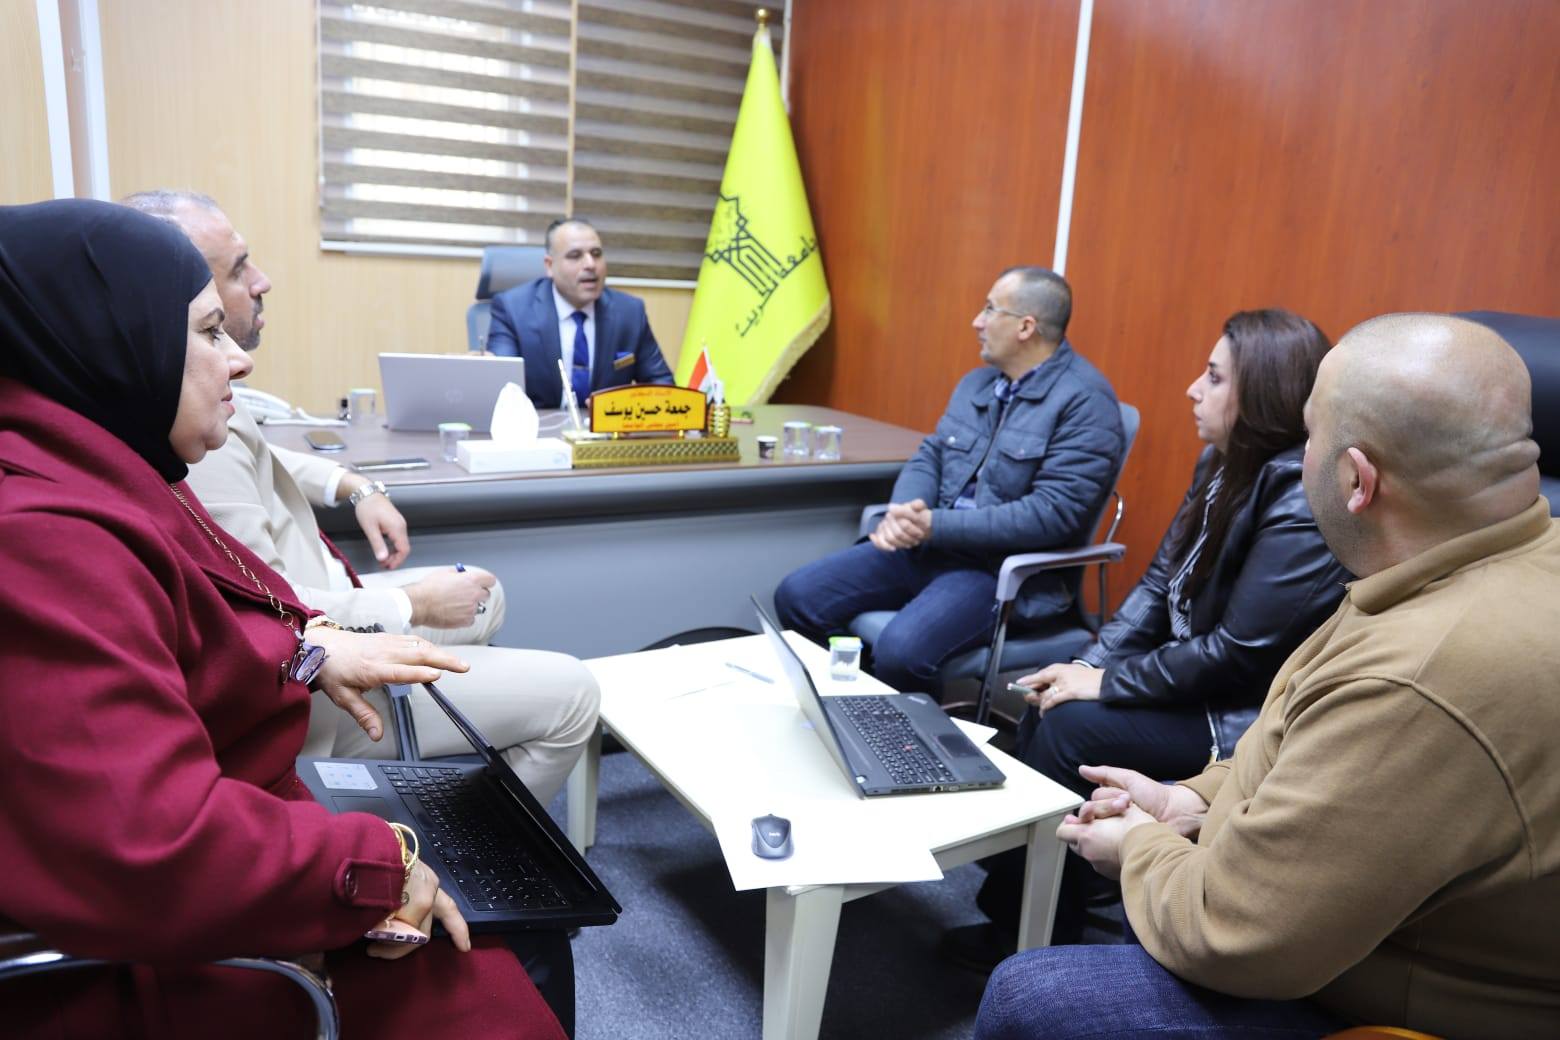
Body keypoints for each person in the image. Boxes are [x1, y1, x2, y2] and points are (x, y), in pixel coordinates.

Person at [0, 199, 567, 1037]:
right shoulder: (45, 543)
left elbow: (216, 645)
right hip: (199, 951)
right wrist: (382, 861)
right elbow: (154, 850)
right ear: (114, 341)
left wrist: (312, 655)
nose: (238, 360)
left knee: (522, 924)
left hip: (251, 855)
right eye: (208, 332)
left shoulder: (105, 469)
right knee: (506, 963)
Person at [974, 314, 1560, 1040]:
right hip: (1344, 928)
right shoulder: (1450, 566)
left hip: (1366, 998)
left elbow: (1229, 933)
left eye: (1311, 436)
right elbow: (1303, 736)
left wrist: (1135, 847)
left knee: (1030, 998)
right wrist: (1189, 799)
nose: (1298, 455)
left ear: (1356, 480)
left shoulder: (1422, 676)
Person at [122, 190, 599, 808]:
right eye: (238, 270)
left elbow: (262, 453)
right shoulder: (194, 430)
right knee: (575, 692)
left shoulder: (188, 402)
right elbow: (271, 617)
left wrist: (354, 485)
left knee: (487, 597)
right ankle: (455, 853)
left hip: (319, 610)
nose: (262, 281)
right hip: (318, 680)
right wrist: (413, 603)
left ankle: (451, 756)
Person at [948, 309, 1349, 962]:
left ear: (1264, 396)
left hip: (1237, 711)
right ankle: (1033, 904)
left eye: (1214, 378)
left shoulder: (1300, 500)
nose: (1193, 389)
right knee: (1053, 701)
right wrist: (1084, 667)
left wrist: (1105, 683)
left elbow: (1237, 654)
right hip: (1191, 679)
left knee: (1073, 731)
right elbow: (1159, 585)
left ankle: (1036, 931)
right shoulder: (1222, 462)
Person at [774, 266, 1124, 693]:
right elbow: (932, 453)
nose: (977, 321)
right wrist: (907, 510)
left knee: (902, 651)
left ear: (1025, 327)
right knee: (798, 596)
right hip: (929, 547)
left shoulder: (1086, 402)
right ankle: (858, 704)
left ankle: (899, 728)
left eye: (990, 309)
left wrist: (934, 525)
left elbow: (1050, 515)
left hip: (998, 573)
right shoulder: (979, 383)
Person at [486, 217, 674, 411]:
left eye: (596, 254)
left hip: (604, 428)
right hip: (540, 427)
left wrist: (623, 407)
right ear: (549, 265)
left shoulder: (630, 312)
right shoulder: (513, 309)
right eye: (575, 256)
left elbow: (663, 386)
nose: (590, 264)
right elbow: (502, 387)